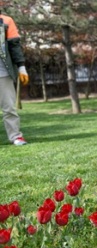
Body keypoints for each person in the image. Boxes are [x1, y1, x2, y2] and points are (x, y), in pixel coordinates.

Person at [0, 9, 28, 146]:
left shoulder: (6, 21)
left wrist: (21, 67)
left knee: (9, 107)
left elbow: (15, 46)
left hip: (3, 72)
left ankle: (16, 137)